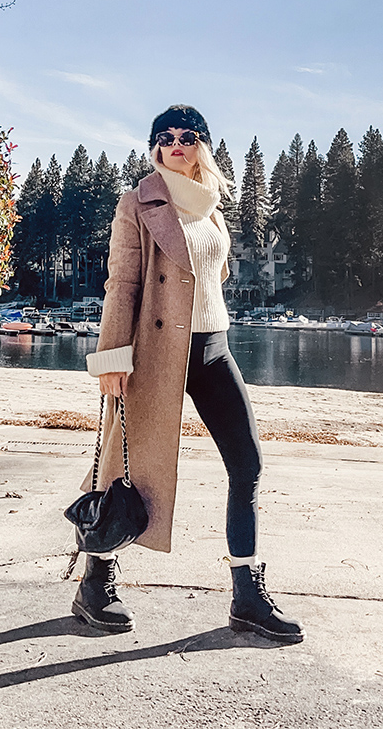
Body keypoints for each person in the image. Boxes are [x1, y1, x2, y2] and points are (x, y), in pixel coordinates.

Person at [71, 104, 304, 642]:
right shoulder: (138, 203)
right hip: (154, 353)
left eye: (188, 136)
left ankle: (247, 596)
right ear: (154, 147)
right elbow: (122, 284)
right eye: (166, 137)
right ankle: (94, 586)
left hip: (214, 349)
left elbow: (210, 279)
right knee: (120, 468)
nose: (177, 144)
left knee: (247, 465)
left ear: (203, 145)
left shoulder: (211, 207)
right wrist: (110, 358)